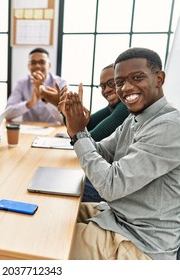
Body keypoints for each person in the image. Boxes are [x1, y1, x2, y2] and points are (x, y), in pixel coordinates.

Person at [63, 47, 180, 259]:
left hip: (141, 244)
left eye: (137, 78)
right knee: (52, 213)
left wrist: (79, 133)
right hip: (118, 218)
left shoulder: (170, 126)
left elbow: (111, 185)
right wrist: (76, 130)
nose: (126, 88)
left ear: (159, 78)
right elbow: (101, 151)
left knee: (49, 241)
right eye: (120, 82)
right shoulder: (136, 118)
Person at [41, 64, 130, 202]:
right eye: (102, 86)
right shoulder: (112, 108)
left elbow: (87, 138)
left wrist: (71, 117)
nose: (106, 90)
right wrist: (67, 111)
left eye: (111, 83)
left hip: (116, 188)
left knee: (51, 186)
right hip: (110, 177)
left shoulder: (125, 108)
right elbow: (80, 129)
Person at [4, 47, 68, 124]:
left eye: (42, 62)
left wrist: (46, 98)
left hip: (53, 131)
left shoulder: (61, 83)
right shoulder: (21, 83)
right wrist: (30, 102)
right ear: (28, 66)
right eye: (33, 62)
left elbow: (65, 120)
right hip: (27, 132)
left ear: (49, 65)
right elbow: (7, 115)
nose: (37, 66)